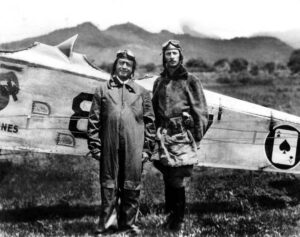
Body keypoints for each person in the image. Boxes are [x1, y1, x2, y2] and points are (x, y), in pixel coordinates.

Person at [87, 49, 156, 235]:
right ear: (115, 66)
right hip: (109, 145)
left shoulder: (142, 92)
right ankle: (108, 225)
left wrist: (147, 150)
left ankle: (128, 224)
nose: (124, 66)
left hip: (134, 146)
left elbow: (150, 123)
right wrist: (95, 147)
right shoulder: (102, 90)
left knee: (131, 185)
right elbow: (93, 121)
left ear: (133, 69)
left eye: (128, 64)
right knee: (109, 185)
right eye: (121, 63)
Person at [152, 40, 209, 231]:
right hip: (164, 134)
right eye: (168, 53)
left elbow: (201, 112)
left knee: (177, 178)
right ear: (164, 57)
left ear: (180, 55)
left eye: (174, 53)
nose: (171, 57)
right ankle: (170, 216)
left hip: (182, 134)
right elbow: (154, 110)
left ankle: (178, 221)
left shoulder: (190, 80)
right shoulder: (159, 81)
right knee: (168, 175)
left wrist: (195, 135)